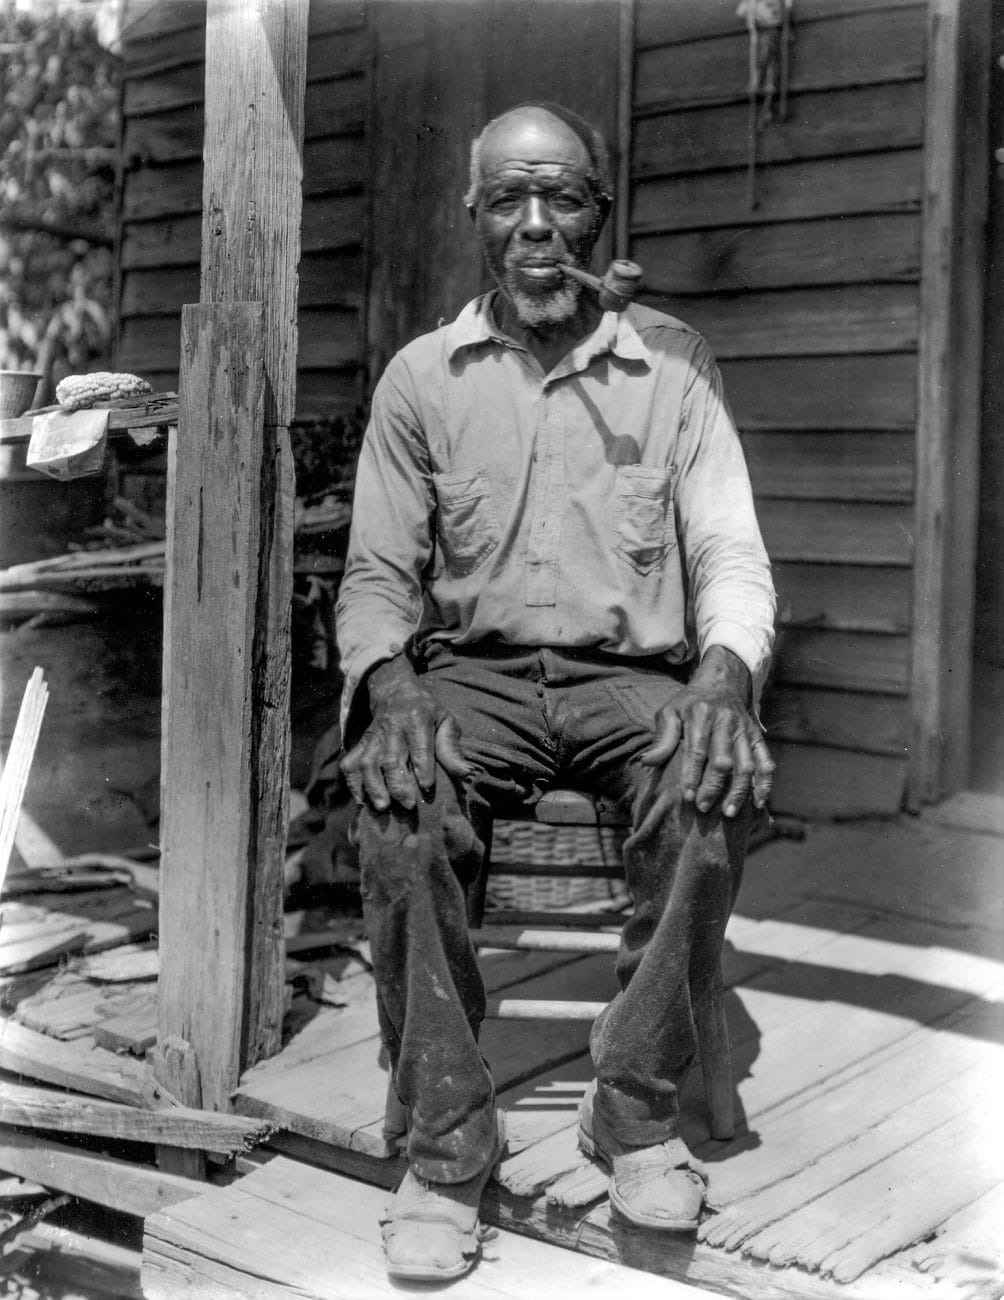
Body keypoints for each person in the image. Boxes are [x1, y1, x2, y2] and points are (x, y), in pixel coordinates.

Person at [333, 102, 776, 1283]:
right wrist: (390, 688)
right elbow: (375, 577)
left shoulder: (672, 364)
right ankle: (447, 1143)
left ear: (599, 215)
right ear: (473, 216)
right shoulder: (421, 379)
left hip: (632, 678)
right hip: (470, 677)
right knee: (398, 805)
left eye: (563, 198)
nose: (537, 226)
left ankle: (628, 1109)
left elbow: (728, 550)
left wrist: (723, 676)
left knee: (711, 784)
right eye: (509, 201)